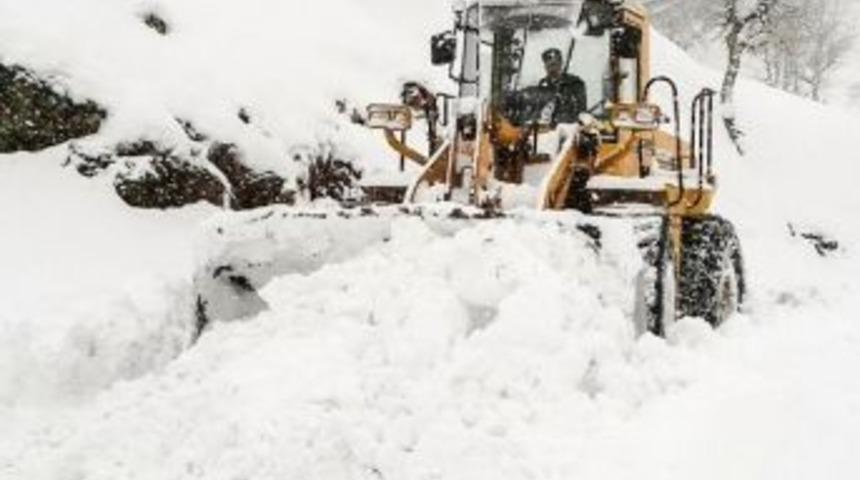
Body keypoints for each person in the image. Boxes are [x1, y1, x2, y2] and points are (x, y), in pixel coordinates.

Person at [537, 48, 587, 123]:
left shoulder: (575, 83)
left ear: (560, 64)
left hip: (570, 127)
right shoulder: (543, 84)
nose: (552, 69)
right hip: (547, 127)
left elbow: (581, 110)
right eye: (548, 65)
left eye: (554, 64)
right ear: (545, 67)